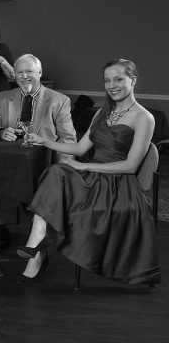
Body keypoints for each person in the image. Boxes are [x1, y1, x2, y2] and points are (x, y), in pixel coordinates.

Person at [17, 59, 160, 285]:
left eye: (118, 79)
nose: (112, 85)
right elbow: (80, 148)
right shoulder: (102, 113)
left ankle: (35, 250)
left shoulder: (144, 117)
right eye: (107, 80)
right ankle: (36, 241)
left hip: (118, 183)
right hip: (94, 177)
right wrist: (45, 141)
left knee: (59, 174)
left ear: (133, 80)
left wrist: (84, 166)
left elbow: (130, 166)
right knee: (56, 172)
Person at [0, 54, 76, 246]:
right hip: (9, 163)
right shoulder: (2, 97)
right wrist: (0, 131)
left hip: (43, 165)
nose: (24, 77)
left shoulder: (59, 100)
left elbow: (68, 140)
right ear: (14, 75)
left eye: (29, 72)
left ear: (40, 73)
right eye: (19, 73)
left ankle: (37, 240)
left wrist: (63, 172)